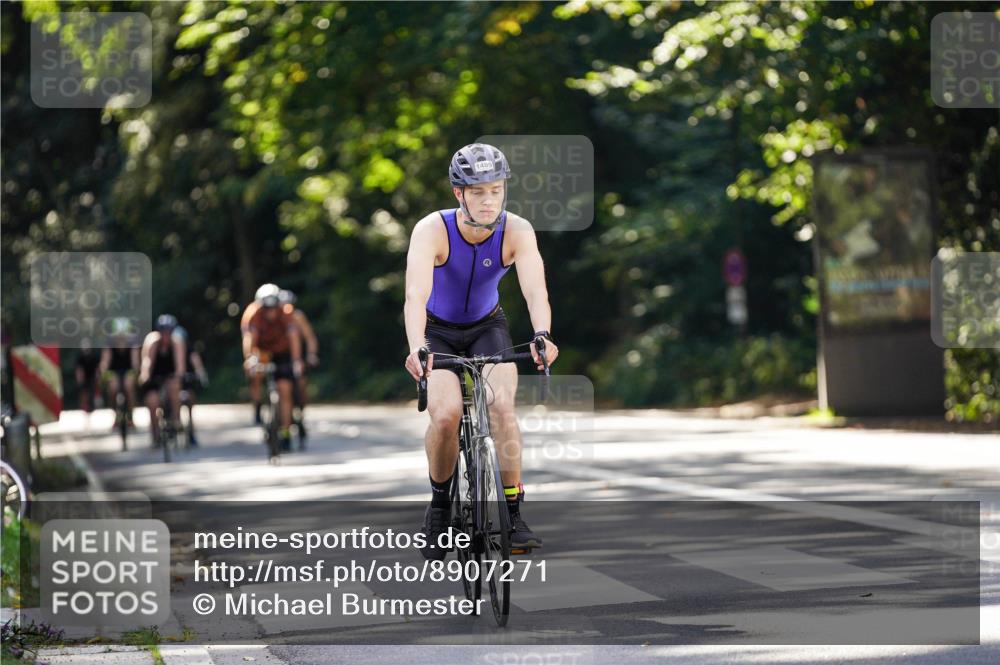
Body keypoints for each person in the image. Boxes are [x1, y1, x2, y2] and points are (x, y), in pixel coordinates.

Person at [403, 142, 559, 560]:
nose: (489, 200)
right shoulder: (432, 230)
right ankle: (438, 509)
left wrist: (542, 334)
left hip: (488, 327)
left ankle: (513, 512)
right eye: (478, 192)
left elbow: (534, 289)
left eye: (496, 190)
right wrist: (417, 346)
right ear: (459, 194)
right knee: (447, 414)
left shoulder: (517, 230)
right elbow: (416, 295)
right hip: (437, 332)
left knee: (502, 407)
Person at [241, 284, 303, 452]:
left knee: (285, 389)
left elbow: (294, 337)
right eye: (266, 308)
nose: (270, 312)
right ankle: (258, 405)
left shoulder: (287, 313)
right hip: (262, 351)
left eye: (273, 308)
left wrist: (297, 360)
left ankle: (286, 432)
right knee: (256, 374)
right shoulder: (253, 314)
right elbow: (249, 338)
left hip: (283, 352)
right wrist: (250, 358)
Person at [138, 314, 186, 447]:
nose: (165, 335)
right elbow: (147, 362)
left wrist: (179, 375)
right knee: (152, 402)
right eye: (163, 332)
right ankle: (155, 433)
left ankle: (176, 419)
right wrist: (145, 375)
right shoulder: (152, 341)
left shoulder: (177, 342)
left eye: (168, 332)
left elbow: (180, 365)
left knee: (175, 385)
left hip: (170, 376)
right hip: (154, 378)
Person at [279, 289, 318, 441]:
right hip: (278, 357)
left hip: (296, 356)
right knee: (281, 390)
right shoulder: (273, 318)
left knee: (300, 385)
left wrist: (311, 355)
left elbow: (310, 338)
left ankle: (300, 414)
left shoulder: (298, 316)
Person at [99, 317, 140, 429]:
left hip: (128, 370)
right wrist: (103, 372)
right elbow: (105, 361)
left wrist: (136, 372)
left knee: (129, 386)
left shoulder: (133, 342)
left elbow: (135, 361)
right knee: (113, 388)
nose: (121, 337)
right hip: (114, 371)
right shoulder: (109, 342)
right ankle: (116, 415)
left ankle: (131, 417)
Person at [172, 325, 209, 447]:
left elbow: (196, 362)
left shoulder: (190, 350)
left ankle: (191, 432)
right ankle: (174, 425)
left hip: (186, 381)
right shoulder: (167, 349)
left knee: (190, 398)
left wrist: (201, 374)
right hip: (171, 382)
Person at [75, 339, 101, 415]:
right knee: (84, 392)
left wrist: (98, 378)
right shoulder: (80, 356)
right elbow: (79, 369)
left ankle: (94, 405)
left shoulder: (94, 355)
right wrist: (79, 380)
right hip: (84, 377)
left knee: (93, 390)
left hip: (92, 376)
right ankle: (85, 406)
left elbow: (97, 368)